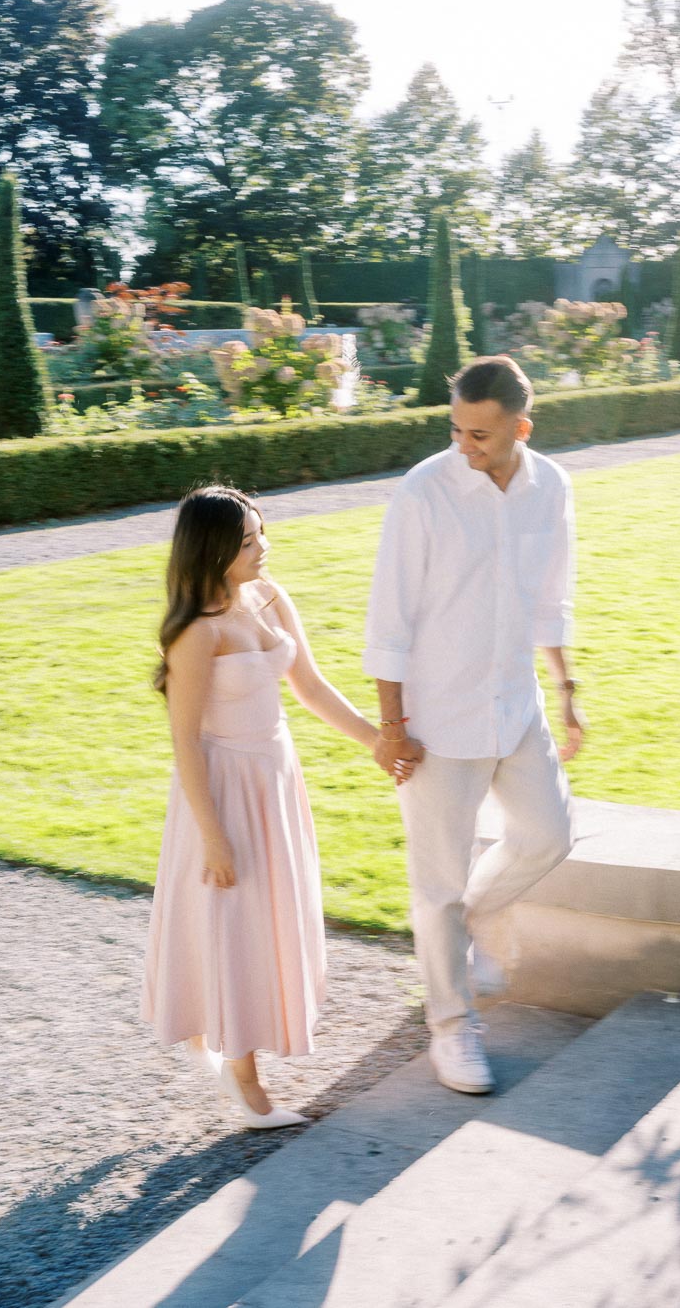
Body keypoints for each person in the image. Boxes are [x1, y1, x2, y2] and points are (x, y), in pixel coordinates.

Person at [364, 355, 584, 1095]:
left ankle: (476, 922)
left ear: (521, 427)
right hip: (436, 719)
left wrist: (567, 691)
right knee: (437, 887)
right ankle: (452, 1030)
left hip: (513, 704)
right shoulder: (424, 492)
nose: (466, 445)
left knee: (549, 834)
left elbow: (550, 599)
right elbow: (388, 621)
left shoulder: (550, 486)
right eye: (457, 430)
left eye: (482, 434)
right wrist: (391, 727)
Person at [142, 484, 394, 1128]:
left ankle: (216, 1034)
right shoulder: (195, 635)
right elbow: (186, 745)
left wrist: (378, 740)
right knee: (238, 921)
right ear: (214, 550)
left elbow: (309, 686)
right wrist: (213, 836)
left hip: (275, 779)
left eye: (261, 532)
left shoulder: (272, 596)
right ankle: (243, 1076)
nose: (263, 546)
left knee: (266, 915)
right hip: (221, 787)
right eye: (248, 540)